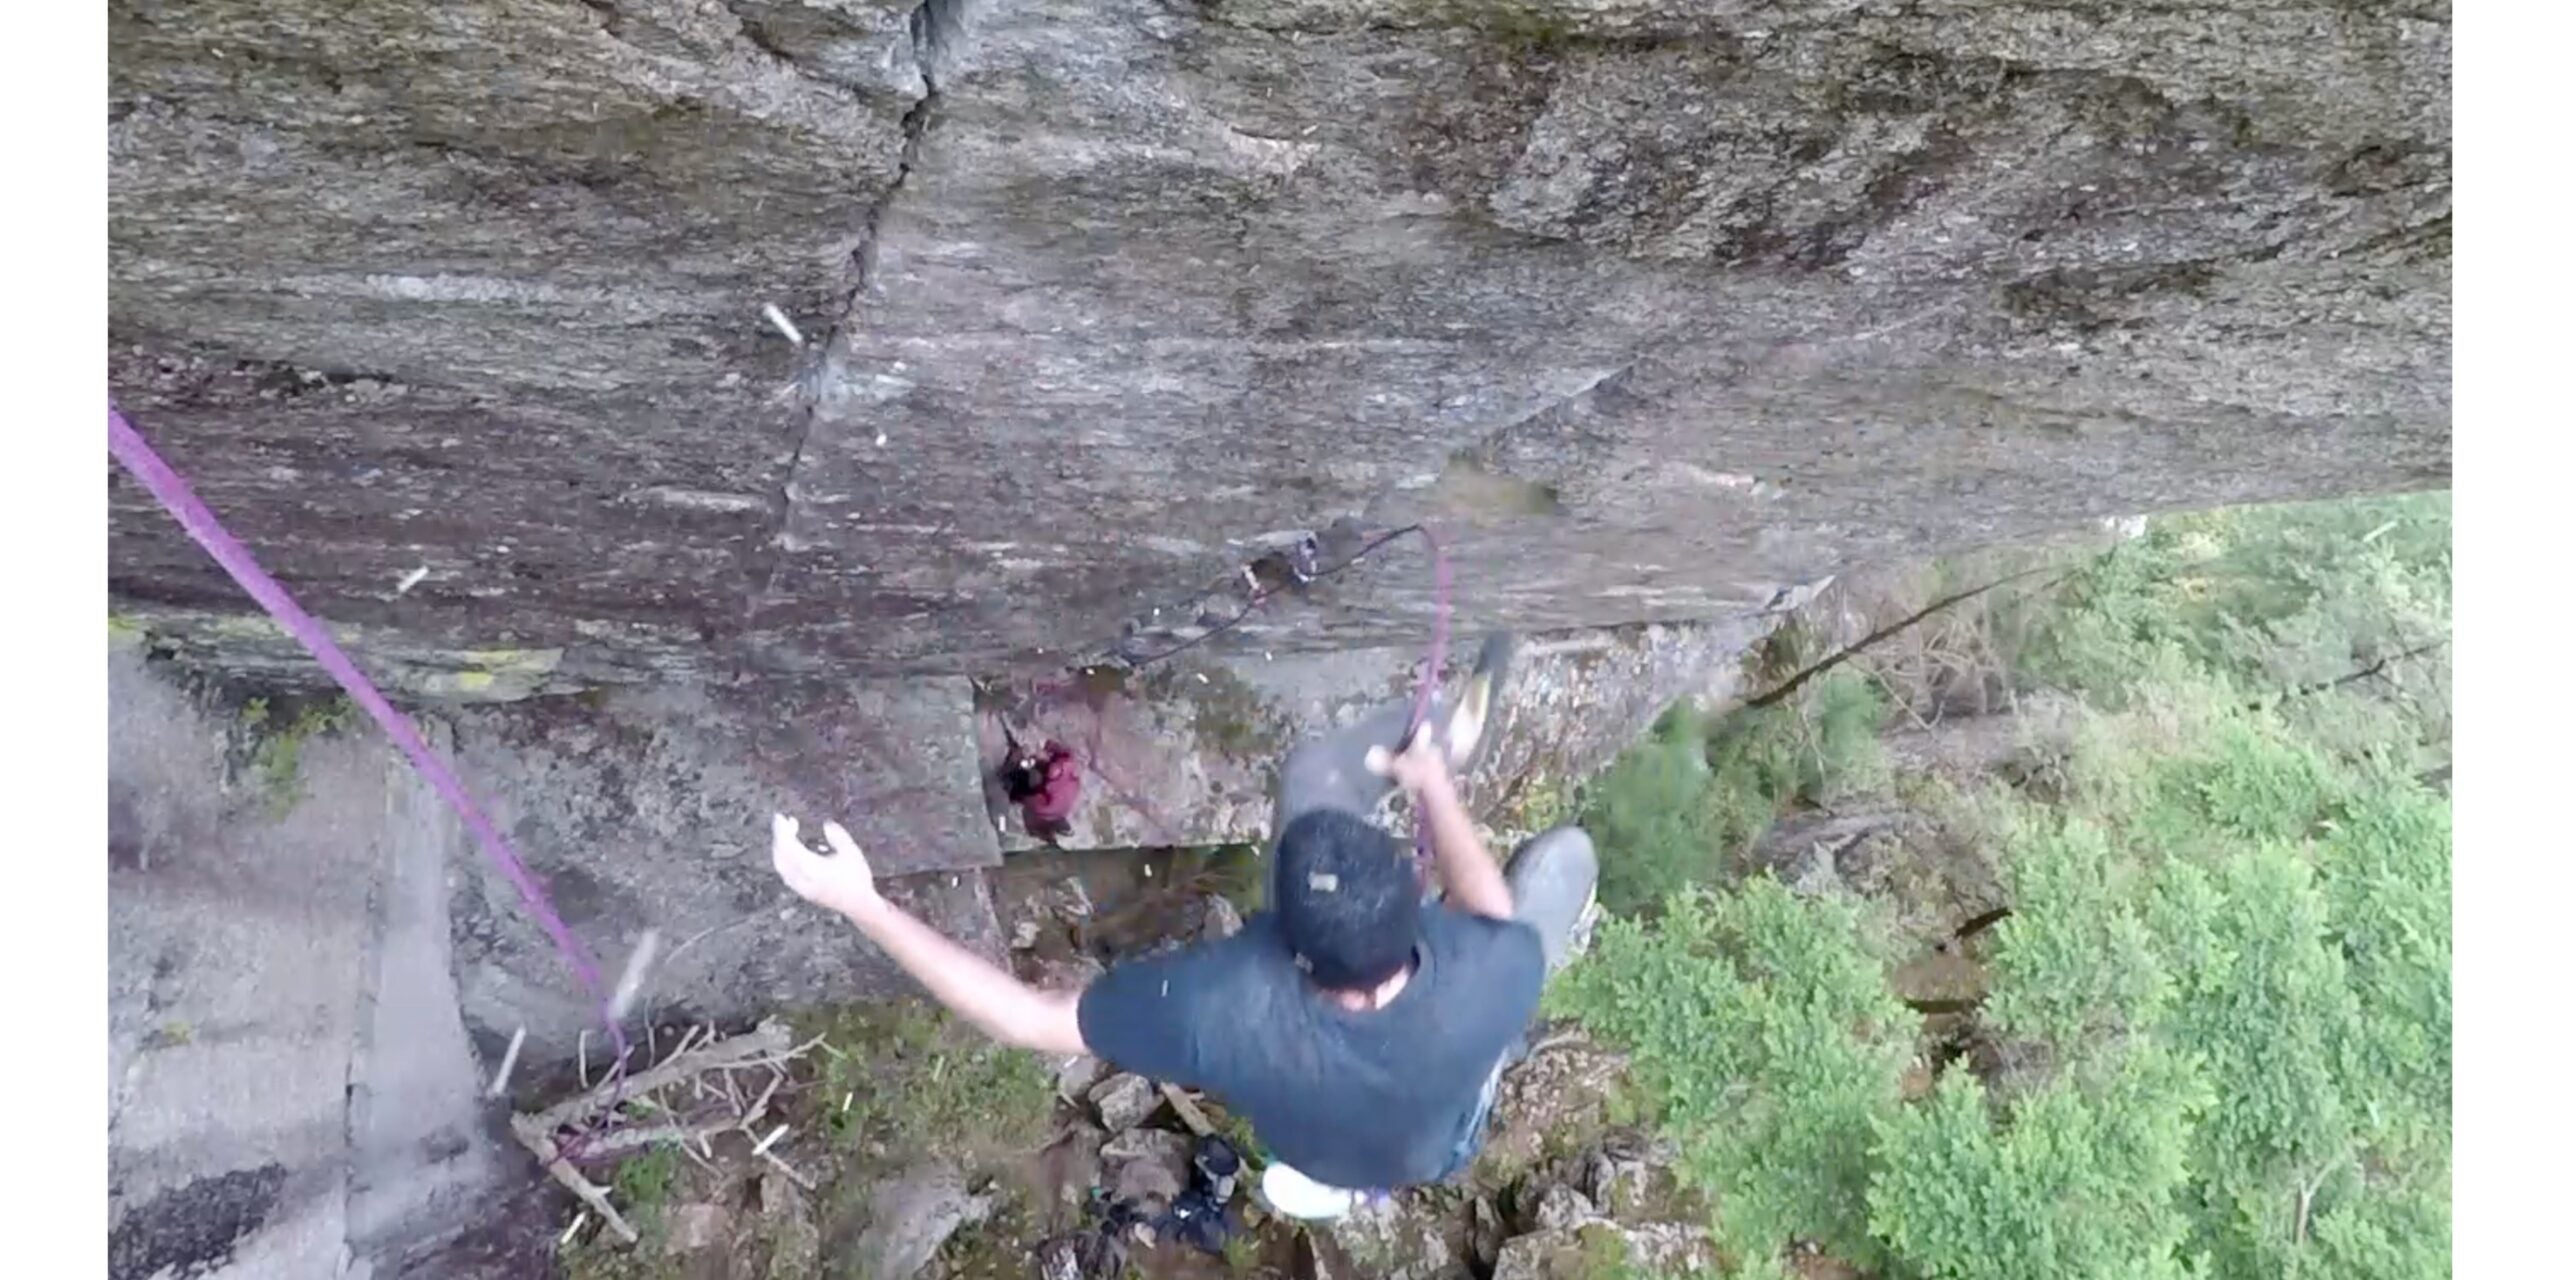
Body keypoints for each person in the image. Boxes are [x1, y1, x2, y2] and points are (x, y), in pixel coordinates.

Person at [769, 634, 1599, 1219]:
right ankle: (1451, 1090)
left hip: (1349, 1141)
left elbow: (1024, 1018)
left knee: (1314, 776)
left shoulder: (1226, 1007)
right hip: (1431, 1133)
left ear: (1290, 944)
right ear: (1417, 916)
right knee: (1543, 879)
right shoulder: (1494, 972)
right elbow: (1489, 910)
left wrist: (863, 903)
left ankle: (1367, 1163)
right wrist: (1432, 786)